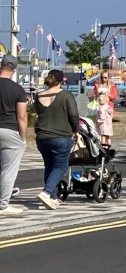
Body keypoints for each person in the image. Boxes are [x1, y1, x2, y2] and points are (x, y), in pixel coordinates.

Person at [33, 69, 79, 211]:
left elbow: (40, 112)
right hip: (61, 136)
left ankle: (52, 198)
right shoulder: (66, 96)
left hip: (42, 136)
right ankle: (46, 192)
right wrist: (76, 130)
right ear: (61, 82)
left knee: (49, 166)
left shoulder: (38, 95)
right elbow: (73, 114)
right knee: (60, 167)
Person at [0, 54, 27, 215]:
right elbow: (22, 116)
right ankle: (2, 205)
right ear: (14, 70)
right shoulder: (18, 90)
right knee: (8, 170)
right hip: (9, 130)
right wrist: (22, 137)